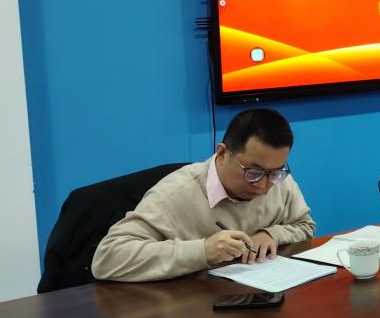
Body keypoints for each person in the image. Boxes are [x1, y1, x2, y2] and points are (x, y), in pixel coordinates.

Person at [92, 108, 316, 281]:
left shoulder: (278, 181)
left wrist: (271, 234)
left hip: (253, 299)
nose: (263, 186)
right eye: (253, 173)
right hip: (186, 310)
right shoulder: (176, 194)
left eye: (275, 172)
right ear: (222, 154)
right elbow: (108, 257)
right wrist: (203, 251)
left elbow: (305, 226)